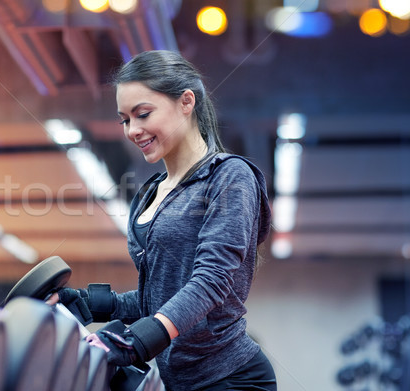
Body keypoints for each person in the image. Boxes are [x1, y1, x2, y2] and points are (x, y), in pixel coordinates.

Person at [49, 50, 276, 390]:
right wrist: (90, 303)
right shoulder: (150, 193)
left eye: (143, 114)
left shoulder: (229, 176)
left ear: (187, 102)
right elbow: (157, 297)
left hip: (232, 379)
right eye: (125, 120)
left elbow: (212, 281)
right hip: (180, 382)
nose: (132, 130)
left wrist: (136, 342)